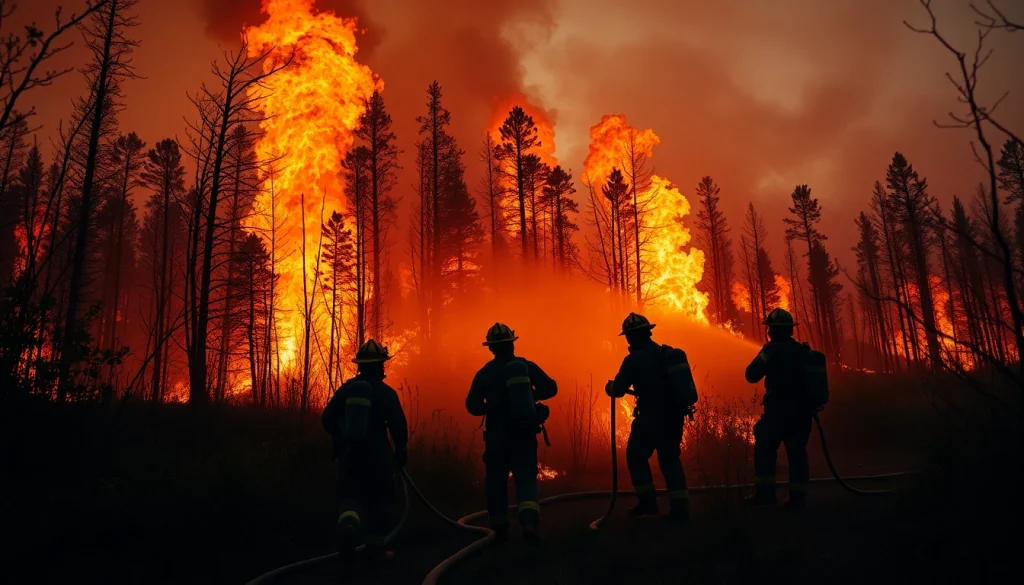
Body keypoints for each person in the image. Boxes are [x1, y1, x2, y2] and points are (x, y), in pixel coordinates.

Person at [466, 323, 557, 542]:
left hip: (497, 438)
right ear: (512, 345)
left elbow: (471, 405)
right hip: (523, 434)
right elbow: (551, 388)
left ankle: (498, 530)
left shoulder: (485, 373)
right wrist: (530, 396)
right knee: (526, 479)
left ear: (491, 348)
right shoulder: (525, 366)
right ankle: (528, 525)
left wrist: (492, 406)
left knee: (496, 481)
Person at [322, 339, 409, 561]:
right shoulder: (386, 393)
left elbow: (327, 420)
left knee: (349, 498)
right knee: (378, 501)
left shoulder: (346, 390)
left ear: (359, 365)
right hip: (378, 458)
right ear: (381, 365)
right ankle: (375, 551)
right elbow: (398, 425)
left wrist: (341, 436)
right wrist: (401, 450)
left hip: (349, 457)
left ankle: (348, 533)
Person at [605, 312, 692, 524]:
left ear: (630, 337)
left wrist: (610, 387)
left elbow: (618, 390)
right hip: (673, 417)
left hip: (650, 418)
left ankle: (648, 503)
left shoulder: (634, 359)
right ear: (648, 332)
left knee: (636, 456)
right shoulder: (666, 354)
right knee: (670, 459)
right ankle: (680, 510)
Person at [744, 308, 813, 510]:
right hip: (802, 413)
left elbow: (751, 375)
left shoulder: (770, 351)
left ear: (772, 331)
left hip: (778, 412)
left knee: (765, 449)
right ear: (791, 330)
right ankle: (798, 497)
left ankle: (765, 494)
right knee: (797, 453)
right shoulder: (803, 351)